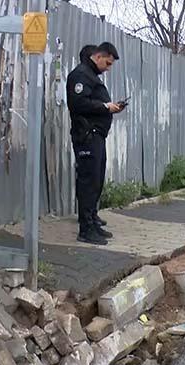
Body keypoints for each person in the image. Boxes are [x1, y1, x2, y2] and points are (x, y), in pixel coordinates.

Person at [66, 42, 125, 245]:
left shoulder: (91, 76)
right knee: (88, 182)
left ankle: (92, 222)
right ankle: (86, 229)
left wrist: (110, 108)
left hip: (96, 136)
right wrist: (105, 107)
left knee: (96, 180)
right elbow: (77, 103)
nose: (108, 68)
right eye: (107, 63)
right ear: (99, 56)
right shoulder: (81, 75)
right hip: (87, 136)